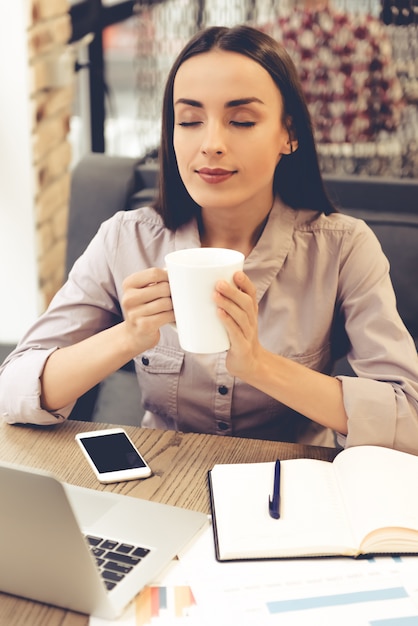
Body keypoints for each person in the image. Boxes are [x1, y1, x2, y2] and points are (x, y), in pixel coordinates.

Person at [1, 25, 417, 452]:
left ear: (288, 134)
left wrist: (259, 365)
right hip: (162, 483)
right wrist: (128, 337)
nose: (212, 143)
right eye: (190, 120)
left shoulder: (343, 248)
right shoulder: (126, 239)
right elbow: (12, 391)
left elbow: (411, 420)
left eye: (241, 120)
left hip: (296, 487)